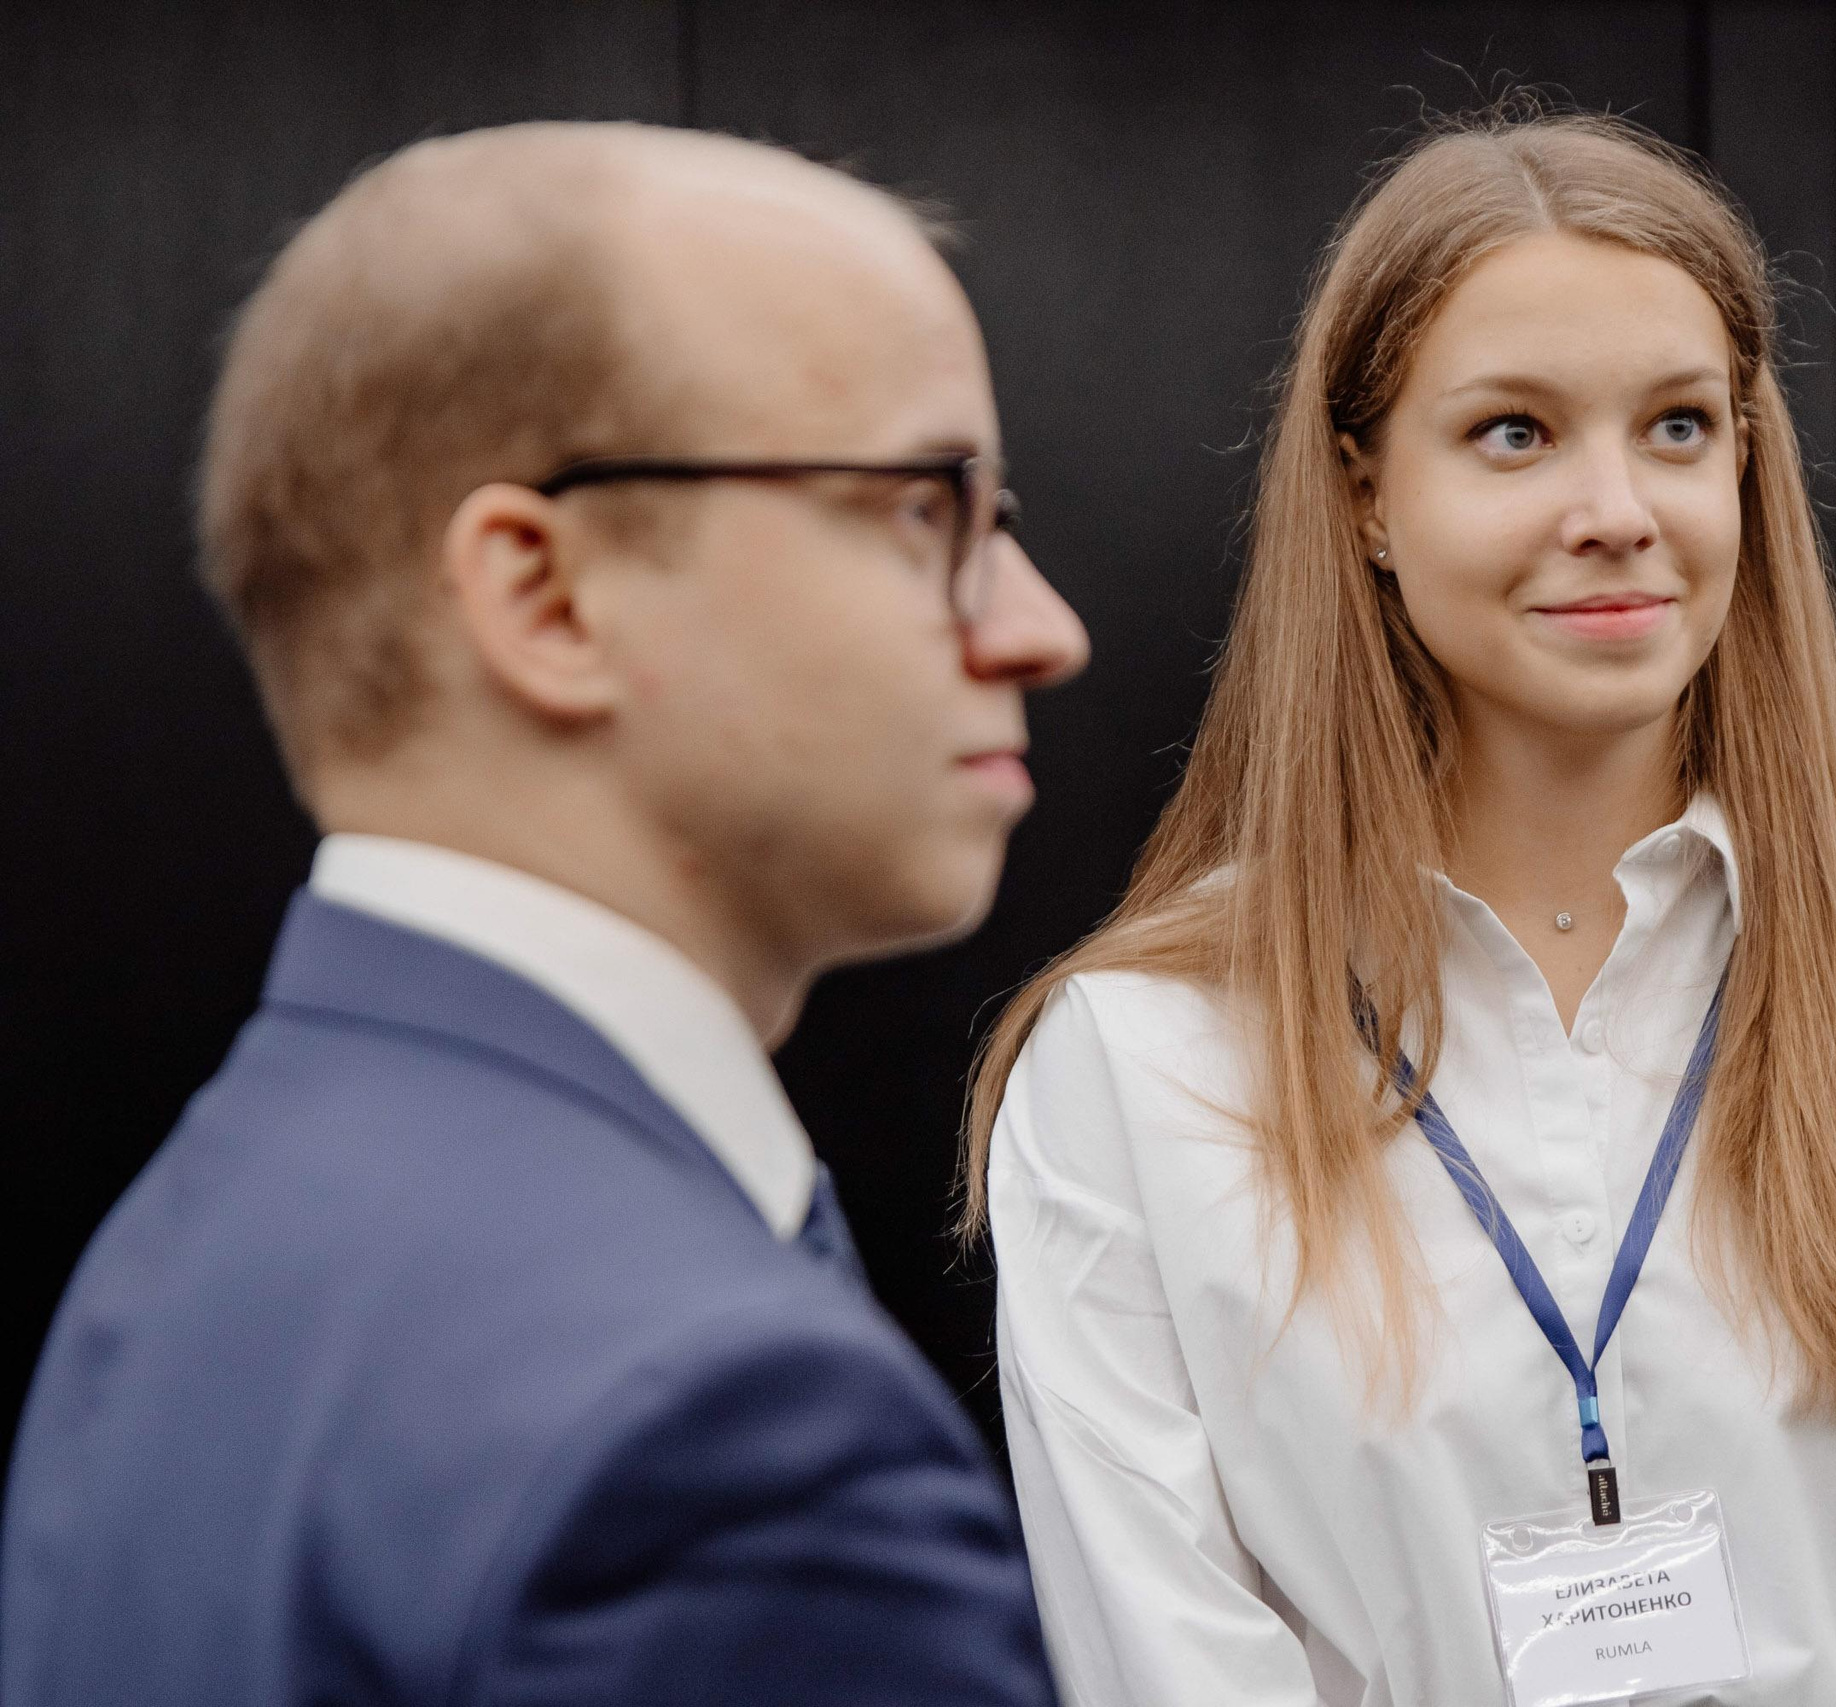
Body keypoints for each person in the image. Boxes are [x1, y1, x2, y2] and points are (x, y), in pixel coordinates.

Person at [967, 111, 1836, 1706]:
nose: (1617, 508)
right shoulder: (1138, 1064)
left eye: (1675, 426)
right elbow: (1165, 1663)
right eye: (1515, 434)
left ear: (1745, 455)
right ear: (1366, 496)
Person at [2, 122, 1085, 1706]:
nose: (1038, 627)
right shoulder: (724, 1435)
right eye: (928, 505)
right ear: (546, 596)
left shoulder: (191, 1242)